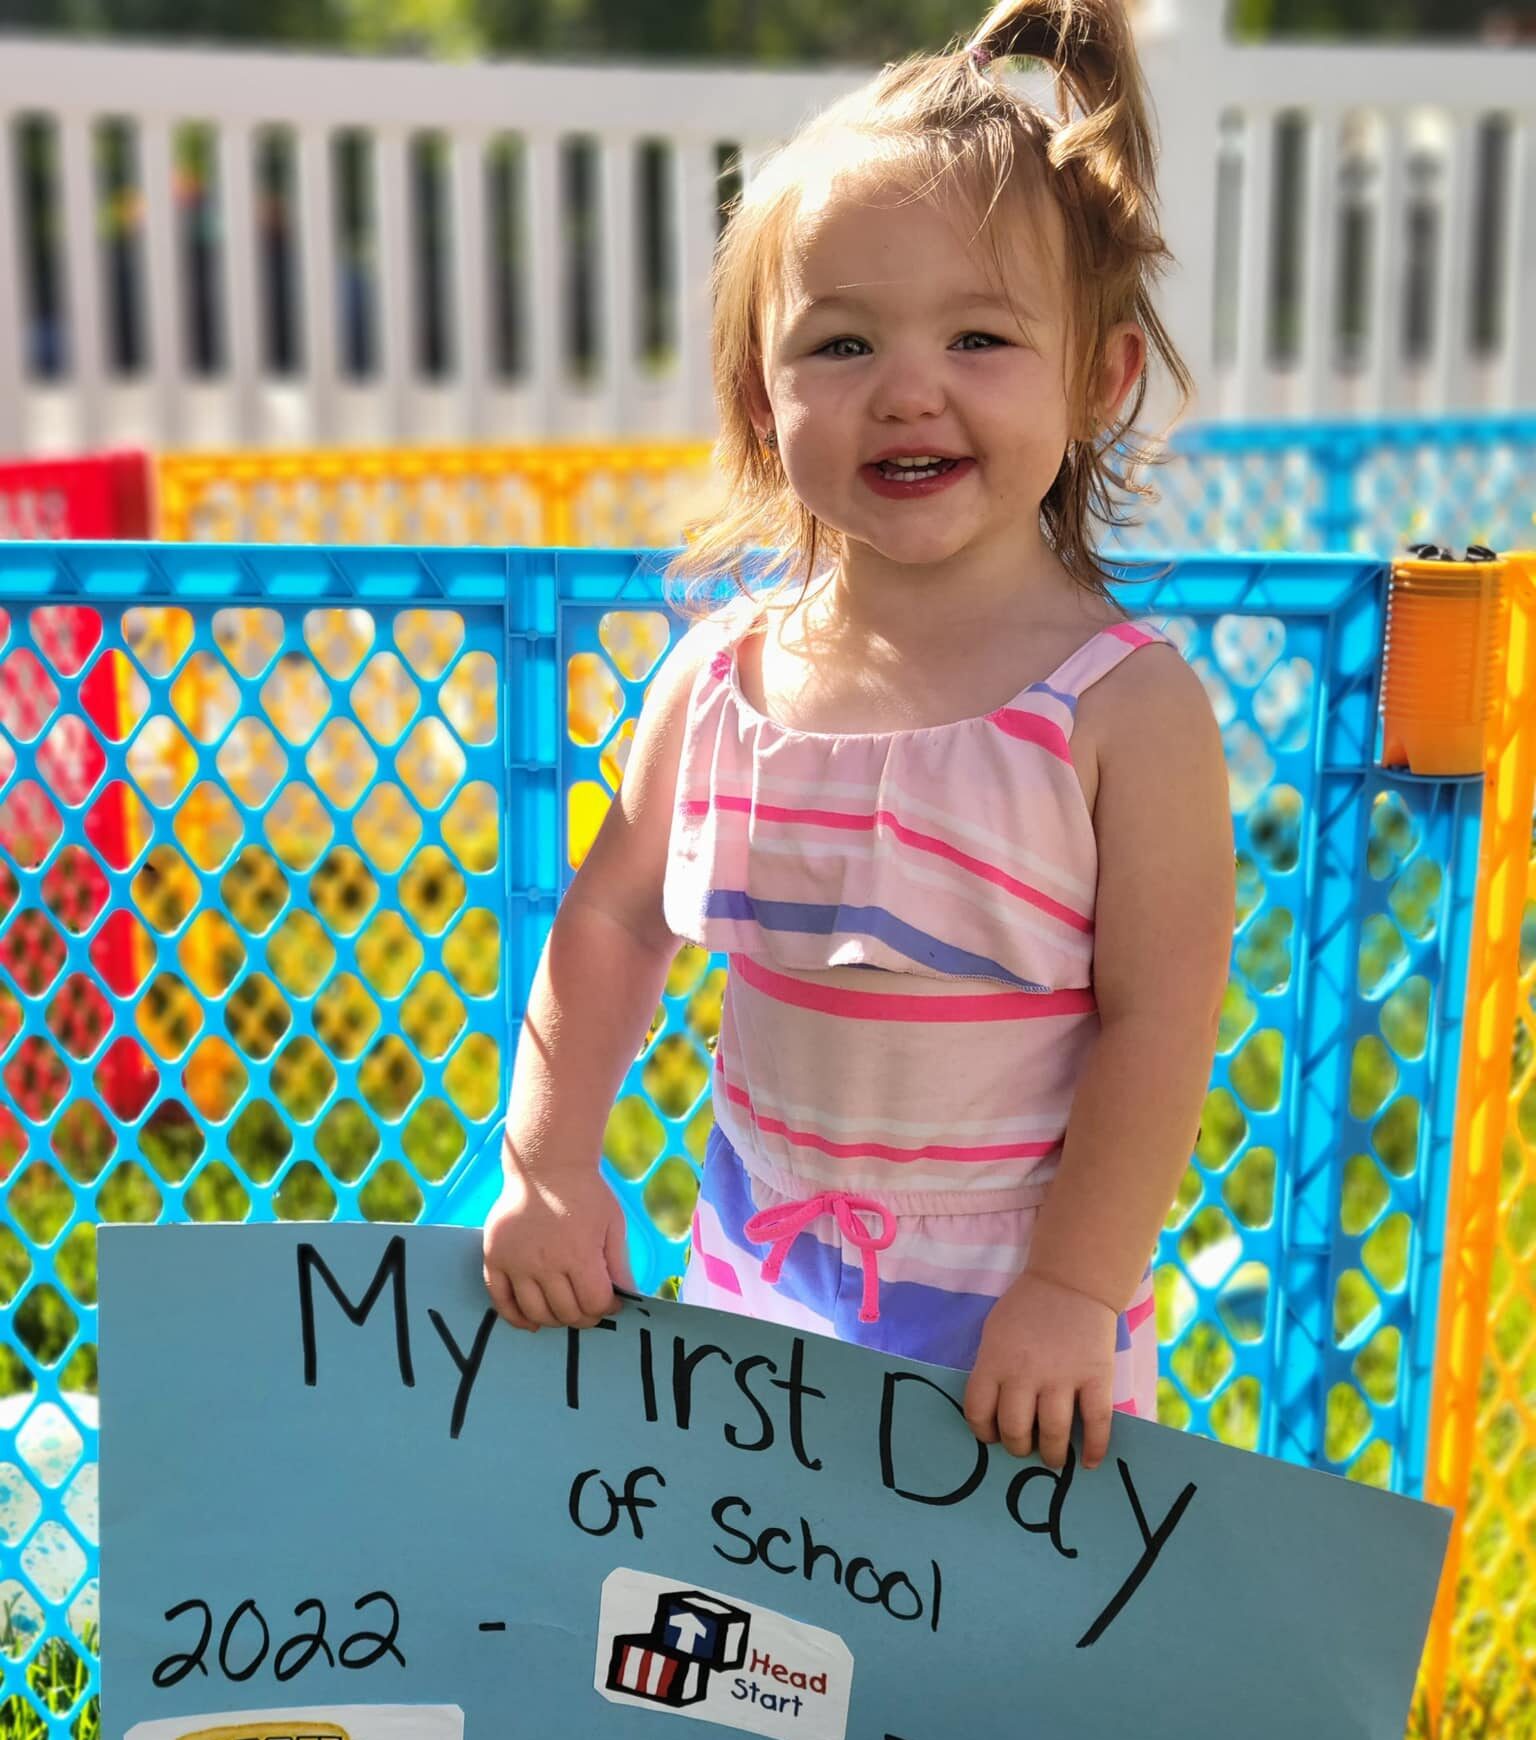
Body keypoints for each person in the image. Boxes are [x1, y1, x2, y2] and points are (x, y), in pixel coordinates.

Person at [482, 0, 1234, 1475]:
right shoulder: (720, 682)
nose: (906, 387)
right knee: (764, 1639)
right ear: (762, 409)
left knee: (992, 1678)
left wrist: (1077, 1290)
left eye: (978, 335)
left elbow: (1162, 1023)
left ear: (1102, 379)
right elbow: (615, 920)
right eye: (839, 341)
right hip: (759, 1287)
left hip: (1017, 1319)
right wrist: (550, 1161)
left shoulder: (1122, 710)